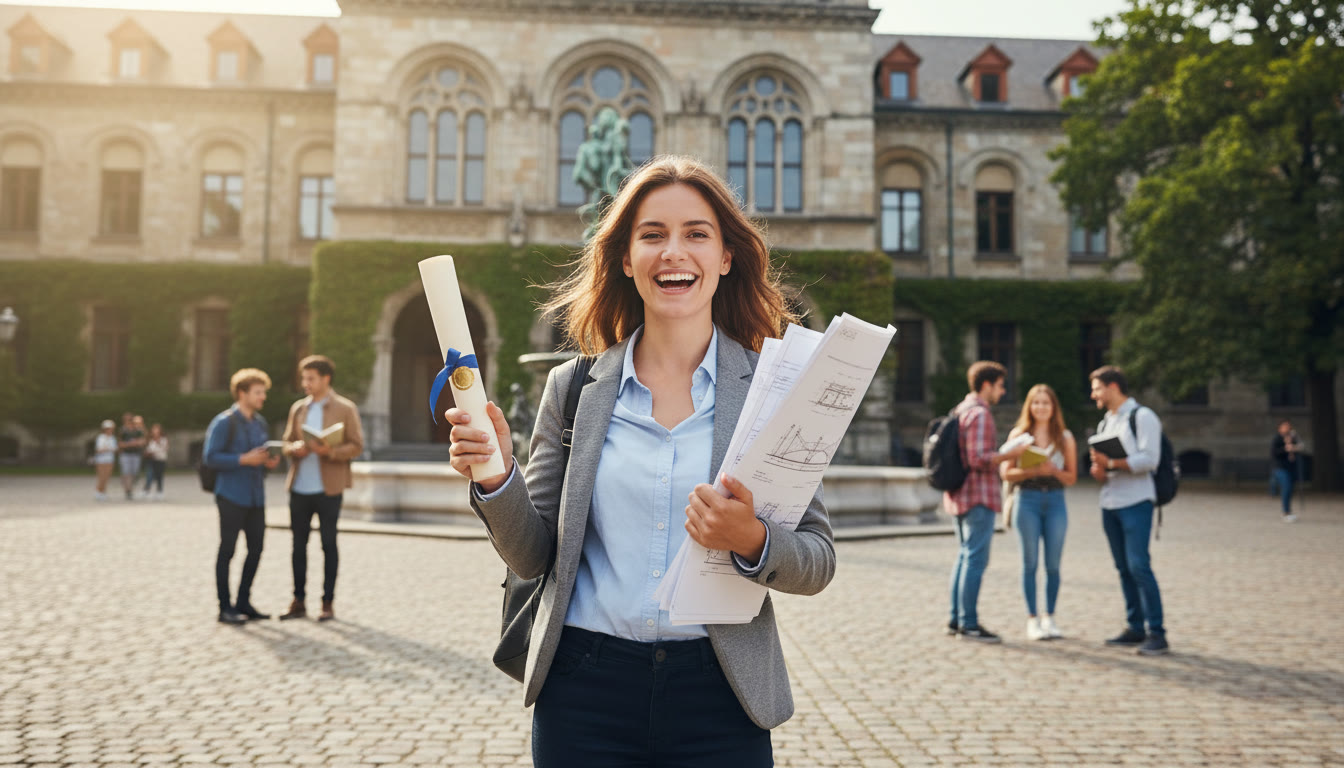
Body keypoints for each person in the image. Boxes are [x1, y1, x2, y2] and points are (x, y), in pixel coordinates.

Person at [447, 155, 833, 766]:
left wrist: (752, 538)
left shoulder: (770, 394)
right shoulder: (572, 389)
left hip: (721, 693)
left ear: (726, 257)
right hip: (584, 689)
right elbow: (535, 555)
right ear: (626, 259)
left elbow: (817, 560)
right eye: (652, 234)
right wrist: (496, 475)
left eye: (696, 234)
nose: (673, 252)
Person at [944, 361, 1028, 644]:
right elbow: (979, 458)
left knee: (964, 556)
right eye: (1001, 386)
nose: (1003, 392)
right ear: (987, 385)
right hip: (976, 495)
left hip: (958, 493)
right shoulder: (980, 414)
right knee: (974, 559)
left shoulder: (961, 409)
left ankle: (957, 619)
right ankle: (968, 624)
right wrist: (1009, 454)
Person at [1088, 365, 1169, 656]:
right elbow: (1105, 472)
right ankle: (1135, 626)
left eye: (1097, 388)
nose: (1093, 394)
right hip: (1110, 502)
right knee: (1123, 568)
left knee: (1139, 566)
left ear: (1112, 387)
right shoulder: (1105, 423)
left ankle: (1157, 632)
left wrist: (1112, 463)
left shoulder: (1143, 417)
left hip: (1137, 502)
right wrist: (1099, 469)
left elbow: (1150, 459)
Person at [279, 355, 365, 623]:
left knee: (328, 544)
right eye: (304, 378)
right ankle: (298, 600)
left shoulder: (345, 408)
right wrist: (294, 449)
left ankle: (327, 603)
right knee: (297, 546)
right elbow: (286, 442)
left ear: (325, 378)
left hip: (329, 489)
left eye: (310, 378)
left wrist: (330, 451)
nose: (305, 383)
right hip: (299, 488)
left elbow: (357, 445)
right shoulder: (298, 409)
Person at [999, 384, 1077, 640]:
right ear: (1029, 407)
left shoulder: (1064, 438)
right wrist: (1033, 471)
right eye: (1036, 402)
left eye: (1046, 402)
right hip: (1027, 500)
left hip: (1055, 500)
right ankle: (1032, 619)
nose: (1041, 407)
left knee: (1053, 564)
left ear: (1053, 407)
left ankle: (1050, 617)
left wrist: (1053, 471)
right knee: (1029, 562)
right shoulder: (1019, 435)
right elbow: (1006, 472)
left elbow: (1072, 477)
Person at [203, 368, 280, 625]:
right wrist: (243, 459)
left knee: (256, 549)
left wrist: (267, 462)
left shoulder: (260, 423)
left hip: (256, 496)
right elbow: (210, 457)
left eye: (263, 393)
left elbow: (260, 456)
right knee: (228, 551)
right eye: (258, 392)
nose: (262, 397)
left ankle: (244, 601)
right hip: (231, 495)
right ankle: (225, 607)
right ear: (242, 393)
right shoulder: (224, 422)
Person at [1270, 420, 1301, 522]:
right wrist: (1285, 449)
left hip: (1290, 467)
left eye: (1288, 426)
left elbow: (1301, 446)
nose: (1287, 429)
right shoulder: (1277, 439)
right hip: (1280, 468)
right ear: (1280, 428)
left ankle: (1288, 511)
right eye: (1285, 426)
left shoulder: (1292, 438)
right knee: (1286, 486)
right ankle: (1286, 512)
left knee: (1290, 488)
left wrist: (1294, 443)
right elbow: (1274, 453)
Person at [116, 412, 146, 500]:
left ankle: (129, 488)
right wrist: (131, 444)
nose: (128, 421)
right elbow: (120, 444)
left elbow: (143, 441)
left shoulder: (138, 430)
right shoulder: (122, 430)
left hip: (136, 454)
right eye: (126, 419)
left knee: (134, 473)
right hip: (125, 454)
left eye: (129, 419)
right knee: (126, 473)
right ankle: (128, 491)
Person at [93, 419, 118, 501]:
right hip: (101, 460)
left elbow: (115, 449)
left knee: (107, 477)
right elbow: (99, 449)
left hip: (109, 460)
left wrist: (107, 449)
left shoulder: (112, 438)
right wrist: (108, 449)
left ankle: (103, 492)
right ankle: (98, 492)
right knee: (101, 477)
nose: (110, 430)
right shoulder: (101, 438)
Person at [141, 423, 168, 501]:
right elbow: (148, 450)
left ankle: (160, 491)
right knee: (149, 475)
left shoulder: (163, 439)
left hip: (160, 460)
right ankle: (146, 490)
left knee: (159, 476)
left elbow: (164, 449)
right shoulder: (150, 440)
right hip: (152, 460)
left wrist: (157, 444)